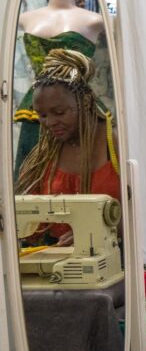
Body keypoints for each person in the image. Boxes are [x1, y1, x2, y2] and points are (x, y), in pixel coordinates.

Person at [16, 48, 120, 245]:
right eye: (43, 115)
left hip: (117, 256)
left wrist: (96, 229)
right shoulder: (44, 155)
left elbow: (140, 212)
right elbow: (31, 224)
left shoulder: (115, 143)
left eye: (60, 112)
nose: (50, 122)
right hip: (59, 259)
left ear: (85, 102)